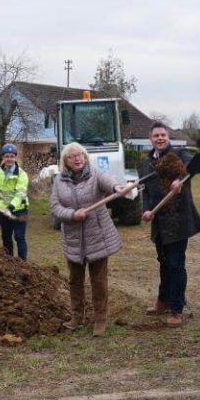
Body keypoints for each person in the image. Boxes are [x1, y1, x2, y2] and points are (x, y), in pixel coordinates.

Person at [50, 142, 124, 337]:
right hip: (73, 239)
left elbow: (108, 180)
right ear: (65, 161)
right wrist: (73, 214)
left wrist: (116, 186)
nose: (77, 158)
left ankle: (100, 319)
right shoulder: (59, 181)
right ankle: (77, 317)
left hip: (97, 236)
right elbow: (55, 207)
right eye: (73, 156)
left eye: (81, 155)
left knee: (98, 280)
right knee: (75, 280)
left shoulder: (95, 173)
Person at [141, 122, 200, 328]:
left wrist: (181, 179)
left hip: (178, 221)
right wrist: (145, 210)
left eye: (163, 135)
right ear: (151, 139)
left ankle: (177, 309)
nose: (160, 138)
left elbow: (195, 165)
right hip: (159, 221)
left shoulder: (179, 154)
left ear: (168, 137)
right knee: (163, 262)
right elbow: (146, 190)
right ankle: (163, 300)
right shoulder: (148, 162)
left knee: (176, 264)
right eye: (156, 135)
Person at [0, 143, 29, 260]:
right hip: (3, 210)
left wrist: (10, 208)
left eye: (12, 156)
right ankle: (9, 262)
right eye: (7, 156)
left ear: (15, 158)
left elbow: (20, 194)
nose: (9, 159)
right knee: (5, 237)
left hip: (20, 210)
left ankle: (22, 263)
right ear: (2, 157)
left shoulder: (22, 174)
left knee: (19, 237)